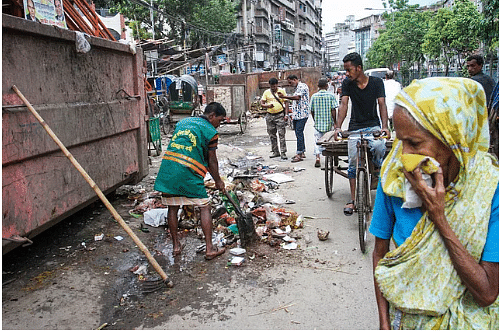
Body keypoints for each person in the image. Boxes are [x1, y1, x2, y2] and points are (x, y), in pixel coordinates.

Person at [370, 77, 499, 330]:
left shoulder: (488, 189)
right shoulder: (395, 180)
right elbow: (379, 253)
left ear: (452, 139)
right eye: (400, 141)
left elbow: (486, 294)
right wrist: (384, 322)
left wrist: (438, 216)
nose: (404, 155)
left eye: (415, 143)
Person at [154, 102, 227, 260]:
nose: (219, 125)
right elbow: (212, 161)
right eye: (219, 120)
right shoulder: (210, 131)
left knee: (172, 207)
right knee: (205, 207)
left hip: (168, 169)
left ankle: (176, 247)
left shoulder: (183, 122)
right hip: (188, 172)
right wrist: (218, 181)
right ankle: (209, 249)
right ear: (212, 116)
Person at [333, 52, 391, 216]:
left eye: (349, 70)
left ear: (359, 68)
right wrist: (338, 127)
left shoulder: (376, 82)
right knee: (352, 162)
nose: (347, 73)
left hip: (373, 127)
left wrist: (385, 126)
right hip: (354, 128)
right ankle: (353, 200)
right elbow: (343, 105)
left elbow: (382, 104)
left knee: (380, 147)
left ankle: (376, 173)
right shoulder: (347, 83)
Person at [278, 74, 310, 163]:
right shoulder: (297, 88)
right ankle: (302, 151)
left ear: (295, 79)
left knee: (299, 132)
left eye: (290, 82)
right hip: (297, 114)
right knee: (298, 133)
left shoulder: (302, 86)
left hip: (302, 114)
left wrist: (284, 97)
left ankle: (299, 153)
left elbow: (297, 97)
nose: (290, 84)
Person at [310, 78, 338, 168]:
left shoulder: (314, 96)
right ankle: (329, 156)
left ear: (318, 86)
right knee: (329, 140)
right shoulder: (331, 96)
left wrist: (315, 120)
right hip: (328, 123)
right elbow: (333, 109)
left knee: (317, 140)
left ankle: (318, 157)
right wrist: (335, 122)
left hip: (318, 123)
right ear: (327, 86)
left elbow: (312, 110)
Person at [260, 77, 289, 160]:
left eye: (275, 86)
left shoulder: (282, 91)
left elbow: (286, 103)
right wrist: (267, 106)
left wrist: (286, 114)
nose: (273, 87)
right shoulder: (266, 92)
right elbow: (262, 103)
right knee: (272, 135)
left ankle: (283, 152)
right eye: (272, 86)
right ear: (269, 85)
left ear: (277, 85)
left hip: (280, 115)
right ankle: (275, 151)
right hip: (270, 115)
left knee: (281, 134)